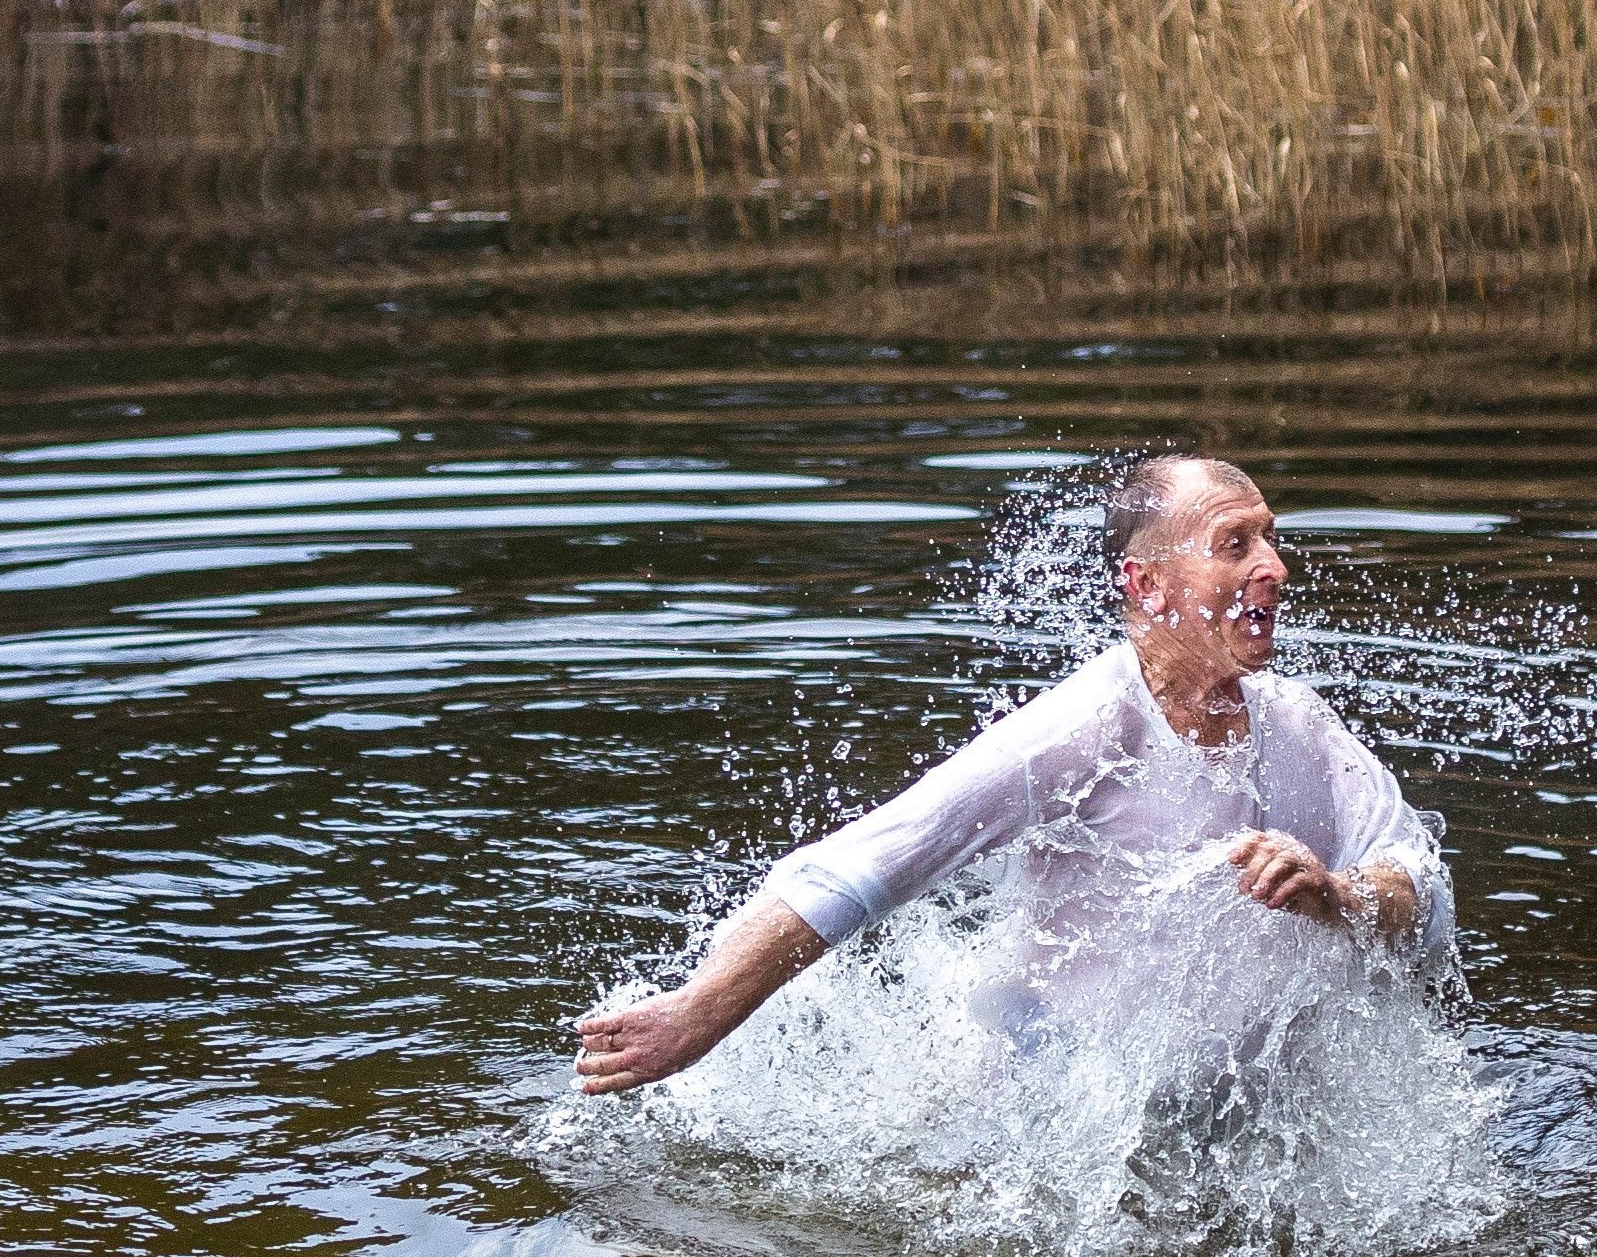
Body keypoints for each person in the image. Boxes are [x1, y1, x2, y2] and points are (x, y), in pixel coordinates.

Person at [572, 446, 1450, 1092]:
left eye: (1270, 538)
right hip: (1040, 1103)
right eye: (1235, 545)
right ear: (1143, 586)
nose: (1275, 567)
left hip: (1227, 1110)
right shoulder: (1082, 728)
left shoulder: (1301, 728)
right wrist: (702, 1011)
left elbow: (1417, 880)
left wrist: (1338, 896)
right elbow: (861, 868)